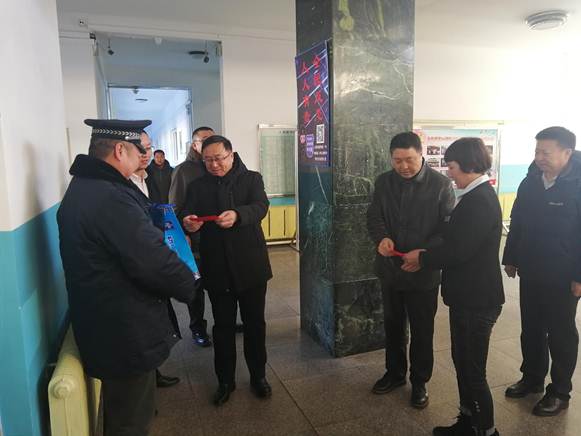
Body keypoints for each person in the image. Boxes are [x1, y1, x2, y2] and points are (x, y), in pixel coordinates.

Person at [57, 119, 198, 436]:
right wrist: (189, 283)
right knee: (130, 423)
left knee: (124, 413)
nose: (143, 157)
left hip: (108, 320)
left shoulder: (88, 187)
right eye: (139, 150)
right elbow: (149, 258)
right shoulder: (109, 196)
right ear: (120, 150)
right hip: (123, 329)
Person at [403, 137, 504, 436]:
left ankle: (486, 431)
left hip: (478, 300)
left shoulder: (480, 201)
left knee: (473, 371)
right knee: (462, 363)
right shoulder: (471, 196)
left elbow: (459, 250)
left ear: (470, 165)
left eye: (453, 166)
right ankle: (467, 422)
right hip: (466, 297)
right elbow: (452, 237)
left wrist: (423, 258)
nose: (449, 173)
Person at [182, 134, 273, 406]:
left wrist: (238, 215)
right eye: (208, 160)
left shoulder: (252, 179)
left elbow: (261, 207)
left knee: (255, 325)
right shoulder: (197, 186)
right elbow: (187, 213)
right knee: (222, 327)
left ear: (231, 155)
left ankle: (258, 376)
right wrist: (188, 223)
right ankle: (225, 381)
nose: (214, 165)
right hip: (217, 266)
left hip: (250, 265)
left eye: (219, 158)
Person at [366, 132, 454, 408]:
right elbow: (374, 216)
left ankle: (420, 381)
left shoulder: (440, 185)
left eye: (409, 160)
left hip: (423, 273)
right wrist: (381, 238)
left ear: (421, 154)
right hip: (390, 269)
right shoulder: (384, 182)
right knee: (392, 326)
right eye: (397, 160)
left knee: (422, 329)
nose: (403, 166)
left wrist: (423, 255)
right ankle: (394, 373)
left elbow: (446, 229)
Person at [503, 126, 581, 416]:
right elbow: (518, 220)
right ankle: (532, 377)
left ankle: (559, 391)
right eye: (537, 151)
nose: (539, 158)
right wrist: (511, 257)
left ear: (567, 152)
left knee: (561, 333)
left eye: (546, 152)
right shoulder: (531, 180)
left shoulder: (577, 184)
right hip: (532, 269)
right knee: (532, 328)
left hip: (563, 276)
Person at [130, 131, 181, 389]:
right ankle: (147, 378)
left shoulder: (146, 178)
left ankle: (154, 373)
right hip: (140, 262)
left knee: (155, 317)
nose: (146, 154)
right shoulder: (123, 185)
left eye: (149, 148)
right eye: (140, 148)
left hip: (154, 252)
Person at [169, 126, 215, 347]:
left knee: (219, 283)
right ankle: (198, 328)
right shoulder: (183, 171)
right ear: (194, 144)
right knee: (196, 288)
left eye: (212, 138)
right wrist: (184, 233)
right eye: (204, 140)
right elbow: (174, 207)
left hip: (218, 237)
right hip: (194, 240)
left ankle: (224, 321)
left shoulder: (216, 165)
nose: (209, 142)